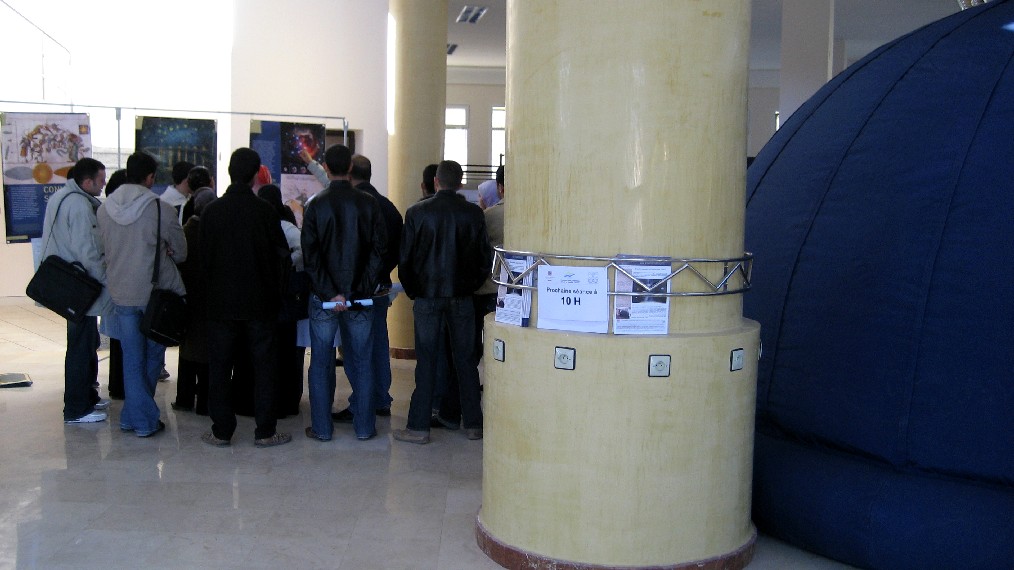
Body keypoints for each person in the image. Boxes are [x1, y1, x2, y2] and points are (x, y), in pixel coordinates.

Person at [394, 160, 492, 444]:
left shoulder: (416, 212)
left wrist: (415, 290)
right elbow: (484, 260)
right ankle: (474, 424)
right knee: (466, 361)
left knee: (426, 361)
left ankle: (418, 427)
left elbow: (406, 260)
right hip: (462, 298)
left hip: (427, 297)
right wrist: (469, 287)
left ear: (435, 182)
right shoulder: (474, 214)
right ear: (461, 183)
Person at [199, 148, 291, 448]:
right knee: (264, 369)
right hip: (259, 304)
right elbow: (281, 257)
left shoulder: (212, 212)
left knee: (220, 368)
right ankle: (265, 431)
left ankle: (221, 430)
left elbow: (203, 261)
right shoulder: (264, 212)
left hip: (220, 304)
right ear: (254, 177)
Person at [301, 143, 387, 441]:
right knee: (362, 361)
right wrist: (355, 291)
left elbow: (310, 256)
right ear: (350, 168)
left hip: (323, 299)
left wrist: (331, 293)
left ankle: (322, 429)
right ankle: (364, 428)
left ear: (325, 167)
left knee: (322, 362)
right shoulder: (368, 204)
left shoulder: (315, 205)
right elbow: (377, 252)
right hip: (360, 298)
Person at [97, 152, 186, 438]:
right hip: (154, 293)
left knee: (131, 357)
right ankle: (144, 421)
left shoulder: (103, 208)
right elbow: (182, 252)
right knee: (153, 355)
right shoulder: (161, 209)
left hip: (120, 292)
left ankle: (130, 416)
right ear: (149, 178)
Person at [41, 157, 113, 424]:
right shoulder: (81, 206)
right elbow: (89, 251)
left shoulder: (61, 198)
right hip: (80, 286)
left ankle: (87, 397)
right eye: (101, 180)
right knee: (81, 347)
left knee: (85, 343)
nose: (103, 185)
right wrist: (106, 279)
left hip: (68, 283)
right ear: (87, 182)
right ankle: (77, 408)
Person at [331, 154, 402, 422]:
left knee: (356, 349)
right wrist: (381, 273)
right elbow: (396, 248)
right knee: (379, 344)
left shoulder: (351, 206)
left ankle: (361, 403)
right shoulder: (388, 206)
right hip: (381, 288)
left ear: (349, 174)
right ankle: (381, 399)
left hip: (355, 291)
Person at [257, 183, 305, 418]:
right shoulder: (286, 226)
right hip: (285, 302)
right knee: (288, 353)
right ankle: (286, 400)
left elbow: (300, 253)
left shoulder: (279, 227)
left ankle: (275, 401)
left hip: (272, 300)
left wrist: (282, 265)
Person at [171, 174, 216, 415]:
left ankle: (185, 398)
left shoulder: (185, 232)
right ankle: (206, 403)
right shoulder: (214, 233)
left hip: (188, 299)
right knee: (208, 354)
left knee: (187, 352)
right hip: (209, 302)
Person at [102, 168, 128, 401]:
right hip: (126, 282)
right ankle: (122, 387)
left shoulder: (103, 210)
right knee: (127, 340)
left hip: (113, 280)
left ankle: (116, 386)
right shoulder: (123, 212)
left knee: (118, 339)